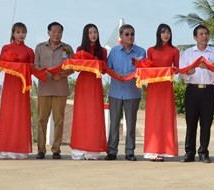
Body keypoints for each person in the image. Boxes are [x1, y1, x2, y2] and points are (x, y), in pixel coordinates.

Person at [179, 24, 214, 163]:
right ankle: (189, 153)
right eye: (201, 34)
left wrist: (209, 68)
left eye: (206, 34)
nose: (204, 36)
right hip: (192, 90)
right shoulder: (188, 53)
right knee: (191, 123)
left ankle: (203, 152)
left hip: (209, 90)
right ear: (195, 37)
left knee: (206, 123)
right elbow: (182, 72)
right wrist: (188, 73)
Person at [105, 24, 146, 161]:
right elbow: (108, 68)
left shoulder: (140, 52)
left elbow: (141, 70)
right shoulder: (114, 51)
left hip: (133, 92)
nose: (130, 37)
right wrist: (117, 75)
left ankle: (130, 151)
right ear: (121, 36)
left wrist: (129, 76)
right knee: (114, 123)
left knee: (131, 124)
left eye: (132, 34)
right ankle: (112, 151)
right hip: (115, 91)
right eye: (127, 34)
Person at [34, 22, 74, 160]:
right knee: (41, 120)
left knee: (59, 120)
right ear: (48, 33)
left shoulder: (67, 48)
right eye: (54, 32)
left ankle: (56, 149)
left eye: (59, 32)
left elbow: (73, 66)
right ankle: (41, 150)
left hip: (60, 88)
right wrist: (43, 72)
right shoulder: (40, 48)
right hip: (44, 88)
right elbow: (35, 66)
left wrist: (62, 74)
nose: (56, 34)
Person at [0, 22, 35, 159]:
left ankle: (19, 148)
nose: (21, 35)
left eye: (23, 32)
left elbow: (32, 68)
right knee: (8, 114)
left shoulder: (29, 51)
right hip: (9, 86)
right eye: (18, 32)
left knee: (21, 115)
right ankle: (5, 147)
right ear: (13, 33)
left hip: (23, 86)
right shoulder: (5, 48)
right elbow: (1, 65)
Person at [70, 24, 108, 160]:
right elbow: (77, 68)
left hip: (95, 83)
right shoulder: (79, 49)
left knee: (94, 115)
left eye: (95, 32)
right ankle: (79, 149)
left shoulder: (102, 51)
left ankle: (92, 149)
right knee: (81, 114)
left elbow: (104, 70)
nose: (93, 35)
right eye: (90, 32)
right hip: (83, 83)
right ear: (86, 35)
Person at [144, 23, 180, 161]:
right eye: (163, 32)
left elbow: (177, 69)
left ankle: (164, 150)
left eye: (168, 32)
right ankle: (152, 150)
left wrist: (171, 71)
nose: (166, 35)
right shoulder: (151, 50)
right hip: (153, 87)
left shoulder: (174, 51)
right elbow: (148, 67)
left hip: (166, 87)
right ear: (158, 34)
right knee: (153, 117)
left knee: (165, 116)